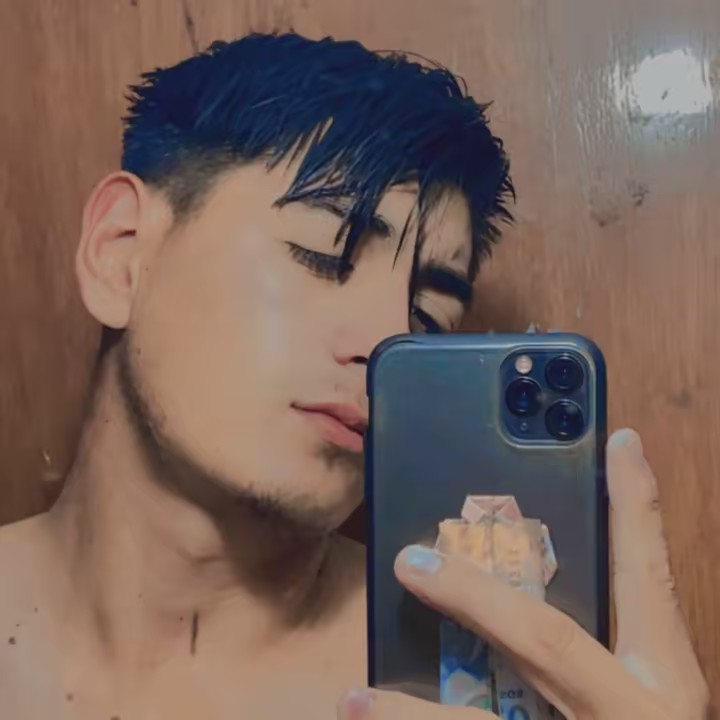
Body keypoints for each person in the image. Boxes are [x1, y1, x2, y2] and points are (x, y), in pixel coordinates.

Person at [0, 32, 707, 720]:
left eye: (427, 317)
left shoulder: (480, 683)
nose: (384, 343)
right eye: (321, 256)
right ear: (121, 254)